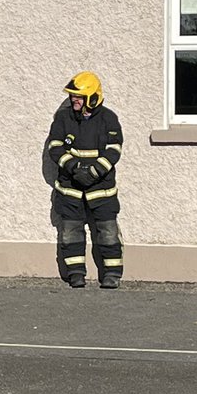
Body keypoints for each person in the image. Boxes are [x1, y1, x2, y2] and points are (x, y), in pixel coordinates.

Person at [48, 71, 124, 289]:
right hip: (70, 189)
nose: (74, 100)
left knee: (108, 231)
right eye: (72, 96)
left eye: (79, 97)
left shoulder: (109, 118)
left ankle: (112, 274)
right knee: (70, 231)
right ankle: (75, 274)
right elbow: (55, 146)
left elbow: (114, 149)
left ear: (93, 97)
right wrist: (73, 167)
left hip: (101, 190)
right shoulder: (63, 118)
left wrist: (93, 172)